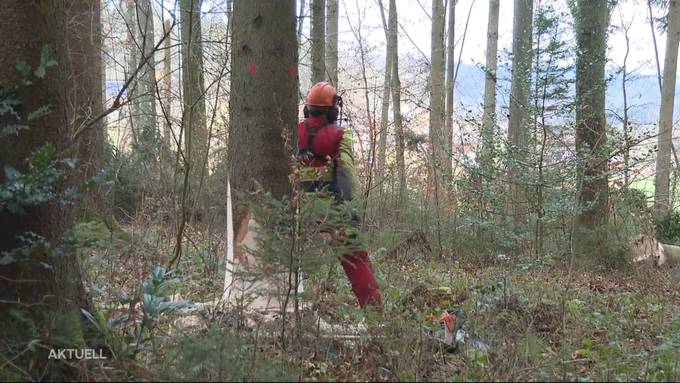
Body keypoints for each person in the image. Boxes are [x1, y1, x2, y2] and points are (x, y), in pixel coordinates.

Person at [297, 82, 382, 308]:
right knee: (357, 260)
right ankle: (376, 317)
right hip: (334, 211)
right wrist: (350, 210)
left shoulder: (296, 131)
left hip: (300, 211)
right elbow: (347, 173)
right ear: (333, 111)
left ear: (309, 109)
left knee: (289, 259)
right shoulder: (340, 136)